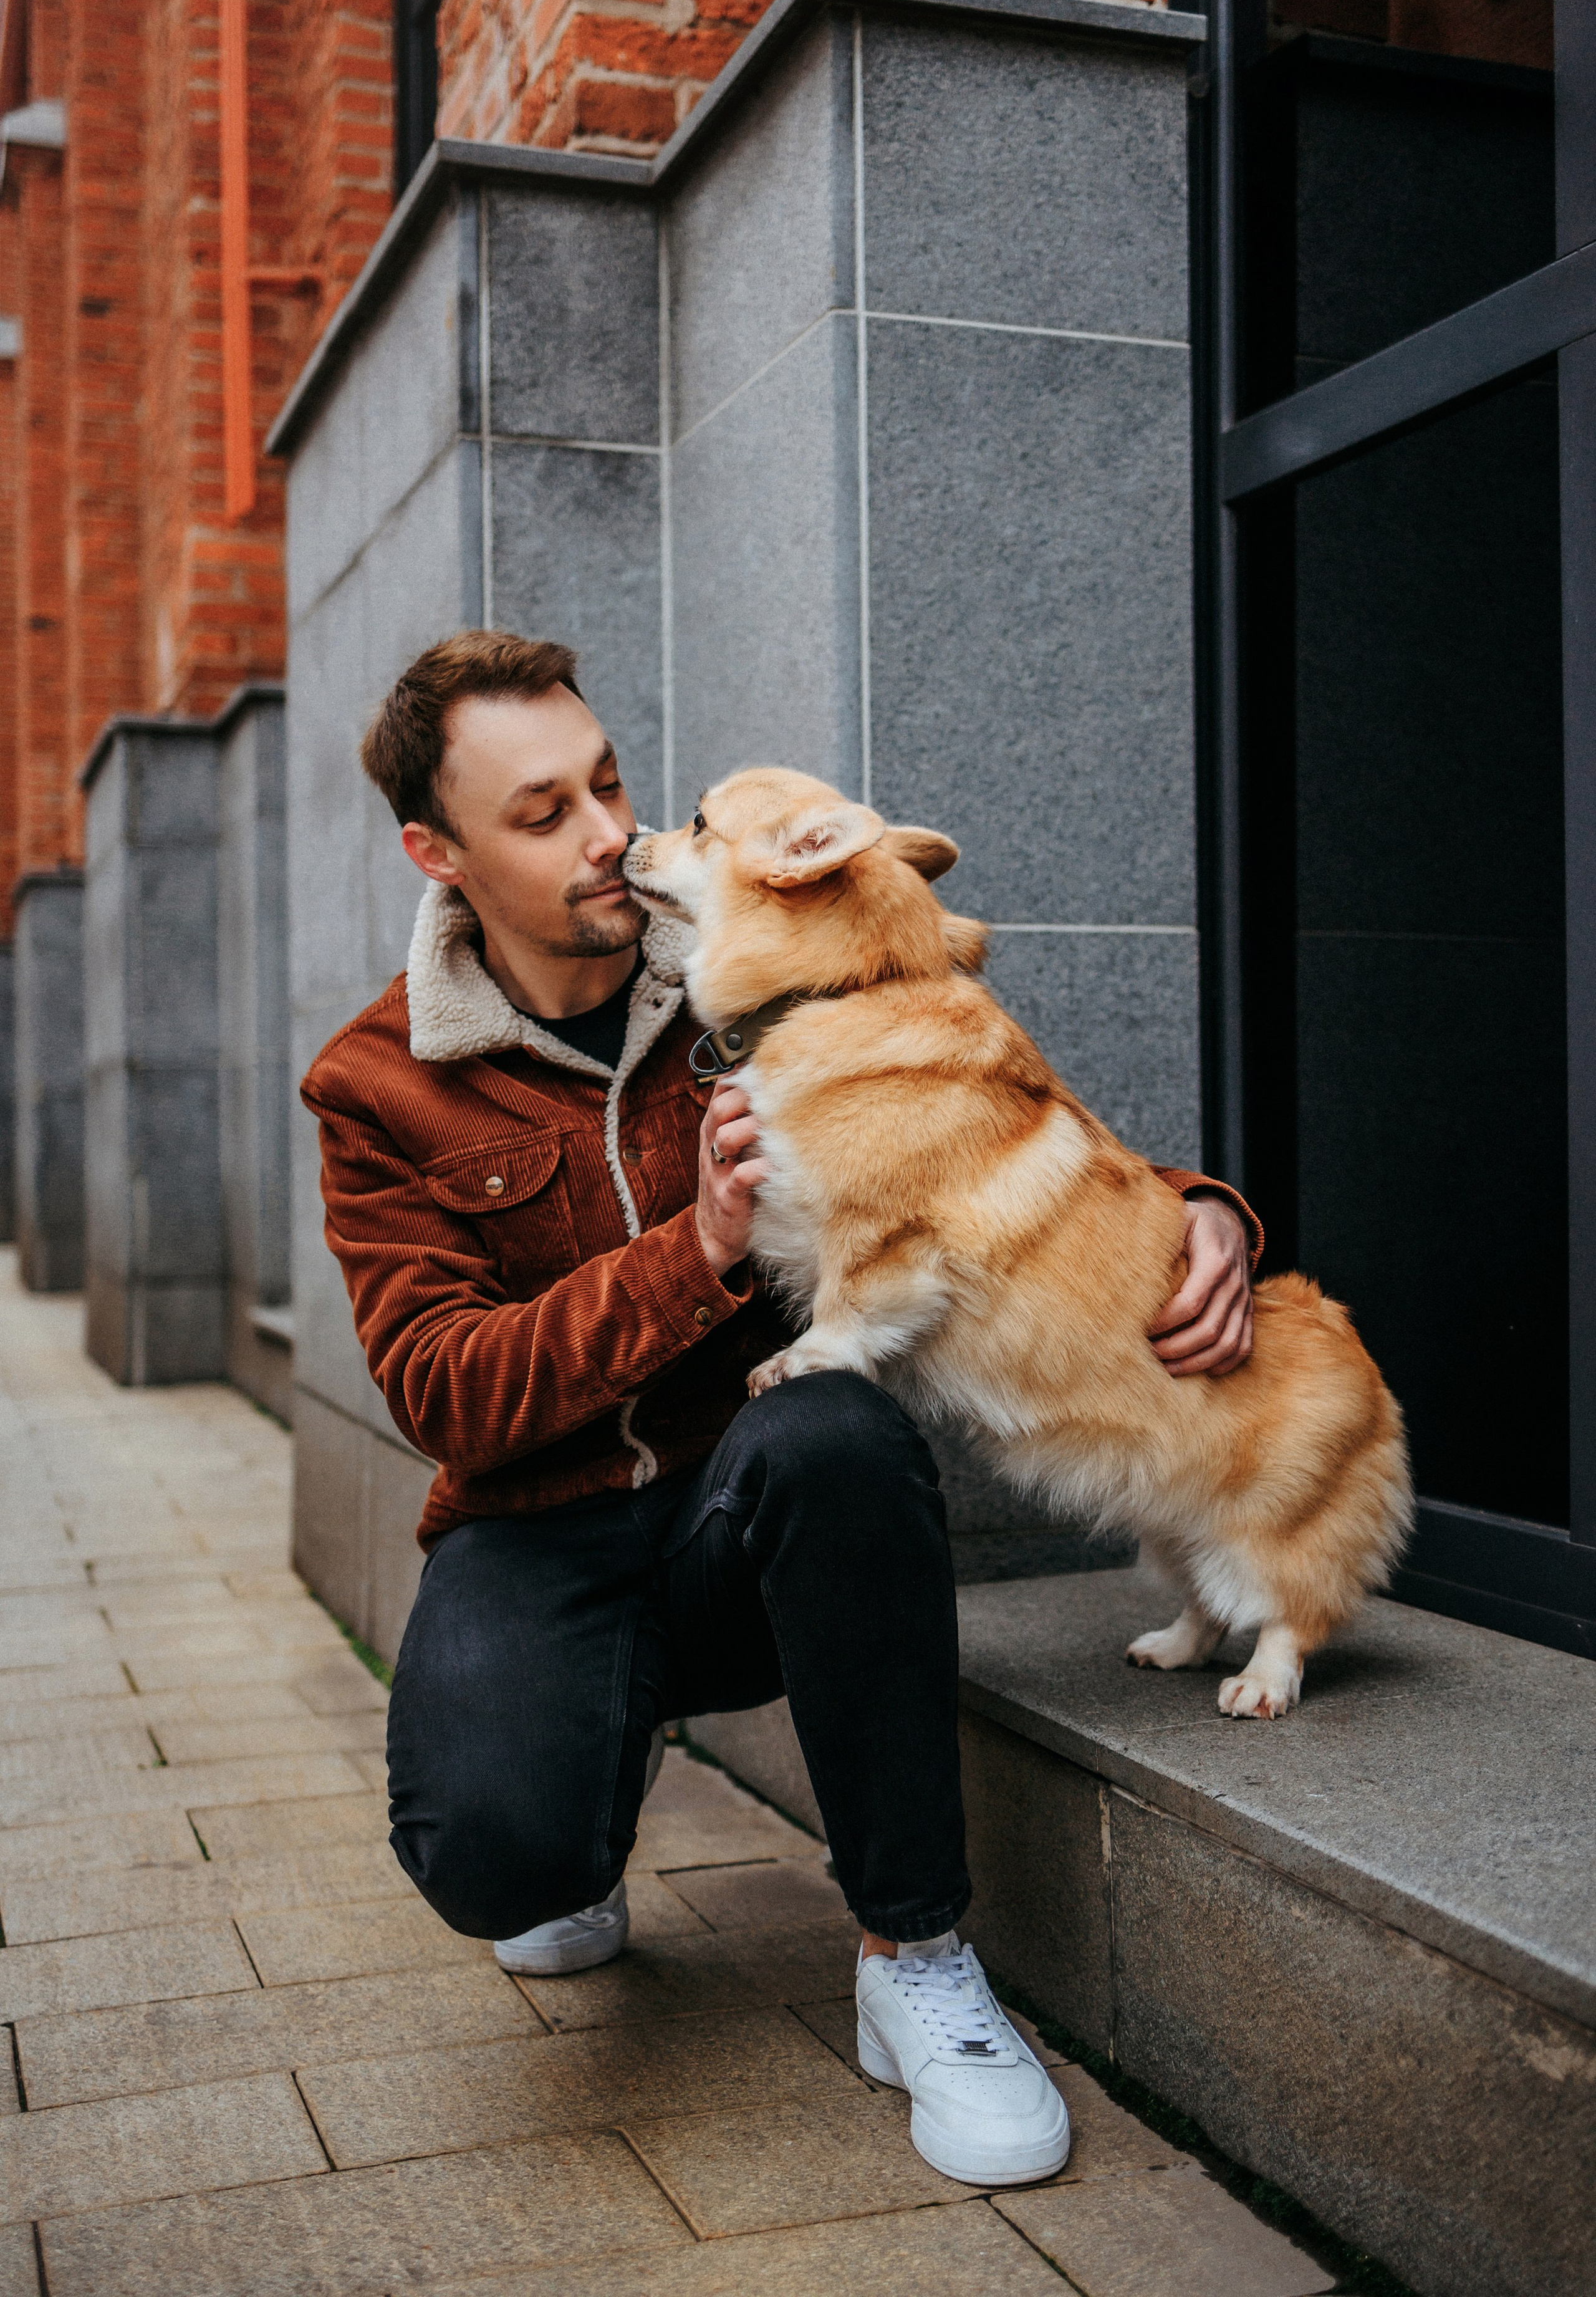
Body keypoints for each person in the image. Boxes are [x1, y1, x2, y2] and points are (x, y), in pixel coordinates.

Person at [302, 630, 1262, 2189]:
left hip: (752, 1514)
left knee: (836, 1428)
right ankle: (582, 1778)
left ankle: (913, 1958)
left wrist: (1203, 1207)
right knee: (496, 1859)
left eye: (608, 781)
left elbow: (986, 1115)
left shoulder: (748, 961)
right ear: (440, 854)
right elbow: (443, 1391)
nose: (607, 832)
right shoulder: (376, 1081)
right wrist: (689, 1255)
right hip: (535, 1532)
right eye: (542, 813)